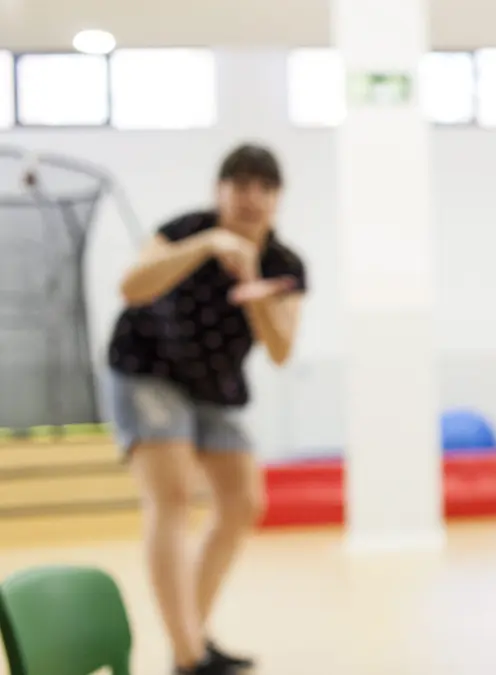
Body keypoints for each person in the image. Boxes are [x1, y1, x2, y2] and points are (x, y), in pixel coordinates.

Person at [106, 144, 306, 675]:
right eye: (240, 185)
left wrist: (255, 290)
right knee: (172, 497)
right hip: (147, 369)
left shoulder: (284, 265)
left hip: (214, 385)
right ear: (219, 191)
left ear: (277, 198)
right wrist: (204, 246)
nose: (251, 197)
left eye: (264, 188)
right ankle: (189, 656)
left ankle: (190, 638)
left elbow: (281, 350)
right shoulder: (184, 230)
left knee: (242, 503)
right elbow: (131, 287)